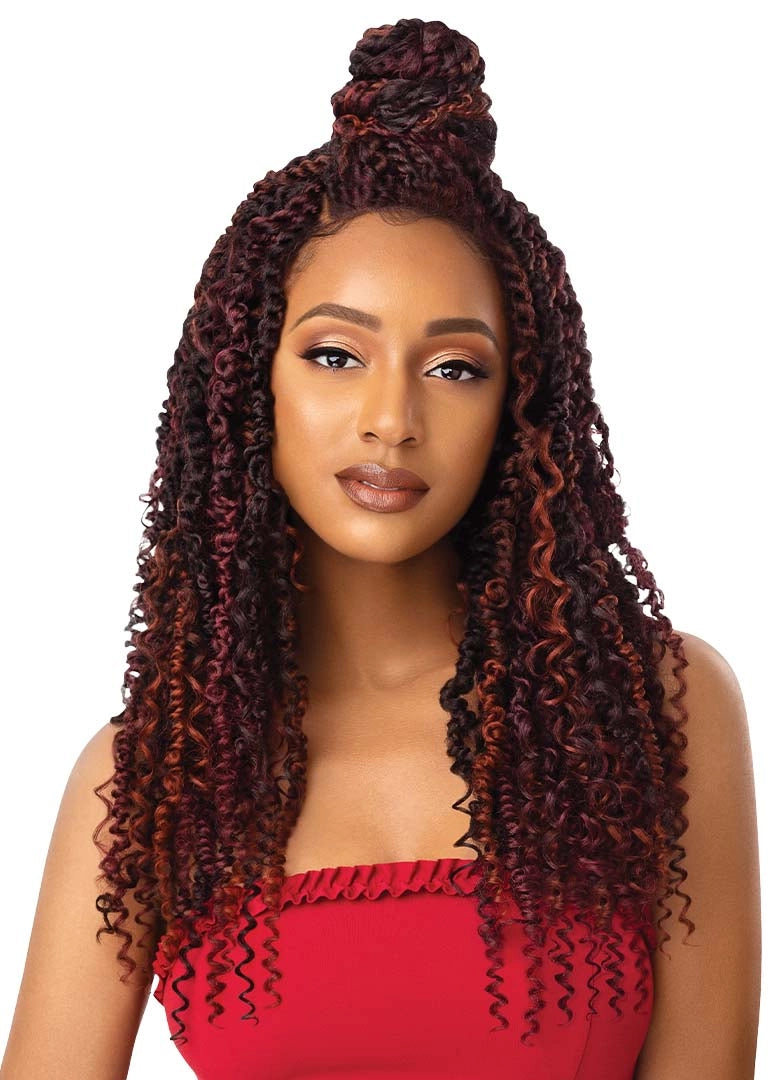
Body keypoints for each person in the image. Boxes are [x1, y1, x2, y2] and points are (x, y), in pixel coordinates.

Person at [1, 17, 760, 1080]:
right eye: (334, 354)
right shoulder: (150, 780)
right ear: (248, 384)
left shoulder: (653, 710)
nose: (392, 420)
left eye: (455, 368)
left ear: (518, 411)